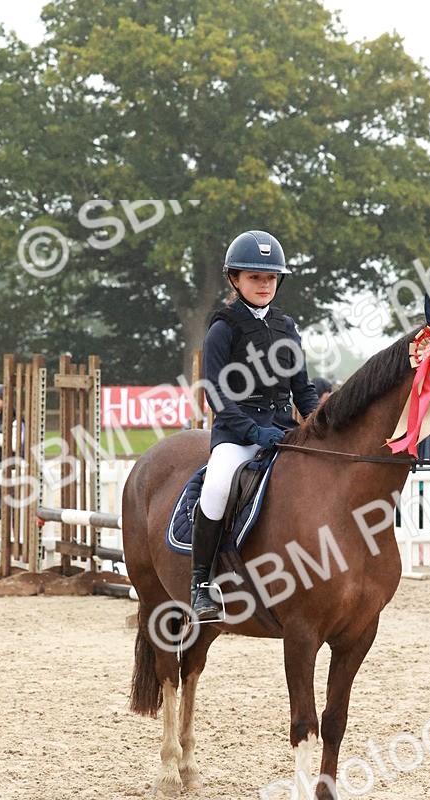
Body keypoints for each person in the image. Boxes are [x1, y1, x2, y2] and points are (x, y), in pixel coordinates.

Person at [191, 229, 320, 619]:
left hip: (283, 429)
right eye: (255, 277)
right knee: (215, 488)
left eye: (270, 278)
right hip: (238, 433)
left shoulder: (286, 326)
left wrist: (316, 422)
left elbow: (303, 387)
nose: (264, 285)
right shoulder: (222, 328)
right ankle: (200, 584)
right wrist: (251, 432)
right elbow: (216, 394)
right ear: (235, 279)